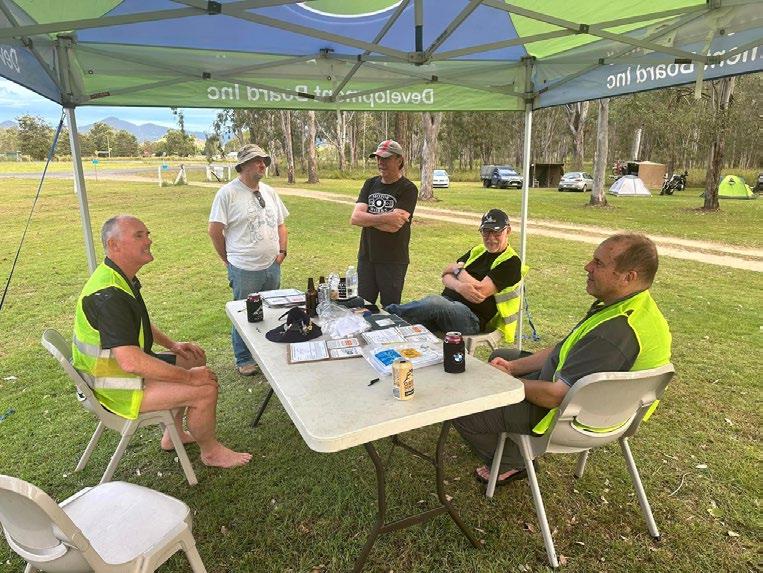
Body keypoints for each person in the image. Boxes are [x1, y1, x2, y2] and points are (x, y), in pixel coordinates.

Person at [454, 233, 671, 486]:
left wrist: (507, 382)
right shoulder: (632, 307)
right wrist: (512, 368)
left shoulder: (615, 331)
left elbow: (555, 396)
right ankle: (509, 439)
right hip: (607, 408)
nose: (587, 267)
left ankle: (512, 461)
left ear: (628, 277)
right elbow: (565, 348)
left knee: (463, 405)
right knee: (501, 357)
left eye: (598, 263)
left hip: (569, 417)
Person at [72, 215, 252, 468]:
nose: (148, 240)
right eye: (139, 236)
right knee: (205, 388)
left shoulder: (118, 277)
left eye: (147, 234)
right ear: (114, 245)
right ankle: (211, 453)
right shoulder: (109, 295)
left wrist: (172, 346)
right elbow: (131, 362)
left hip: (112, 373)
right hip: (114, 387)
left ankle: (173, 434)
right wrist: (188, 378)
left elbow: (136, 323)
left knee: (193, 357)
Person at [208, 144, 289, 376]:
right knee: (244, 313)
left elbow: (281, 225)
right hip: (244, 267)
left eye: (264, 160)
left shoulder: (269, 192)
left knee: (270, 311)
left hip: (272, 265)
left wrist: (282, 252)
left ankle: (267, 352)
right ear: (242, 165)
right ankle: (244, 358)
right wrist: (228, 260)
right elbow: (214, 231)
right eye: (256, 160)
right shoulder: (227, 193)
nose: (262, 164)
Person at [385, 209, 524, 341]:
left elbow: (479, 291)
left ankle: (386, 314)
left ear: (508, 231)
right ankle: (384, 327)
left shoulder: (511, 262)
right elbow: (445, 275)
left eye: (496, 233)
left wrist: (457, 271)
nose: (491, 238)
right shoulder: (478, 250)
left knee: (434, 302)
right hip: (447, 307)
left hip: (472, 320)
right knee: (411, 326)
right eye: (486, 232)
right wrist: (459, 287)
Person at [350, 139, 418, 306]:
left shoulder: (408, 188)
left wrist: (368, 219)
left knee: (390, 309)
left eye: (386, 158)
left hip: (393, 260)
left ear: (399, 160)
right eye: (378, 158)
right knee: (363, 306)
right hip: (366, 257)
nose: (380, 162)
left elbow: (395, 226)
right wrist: (386, 217)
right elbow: (355, 218)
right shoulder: (370, 183)